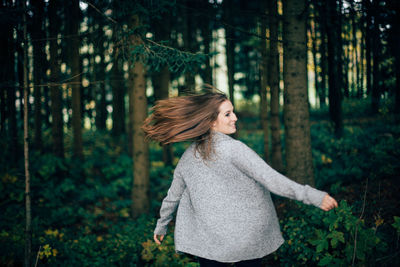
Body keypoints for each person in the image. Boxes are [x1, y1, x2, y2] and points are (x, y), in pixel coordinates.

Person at [142, 91, 338, 267]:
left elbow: (172, 197)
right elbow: (271, 179)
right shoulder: (234, 149)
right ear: (211, 121)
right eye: (227, 114)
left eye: (233, 112)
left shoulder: (188, 157)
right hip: (245, 237)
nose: (235, 118)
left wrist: (162, 225)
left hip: (209, 240)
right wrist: (313, 196)